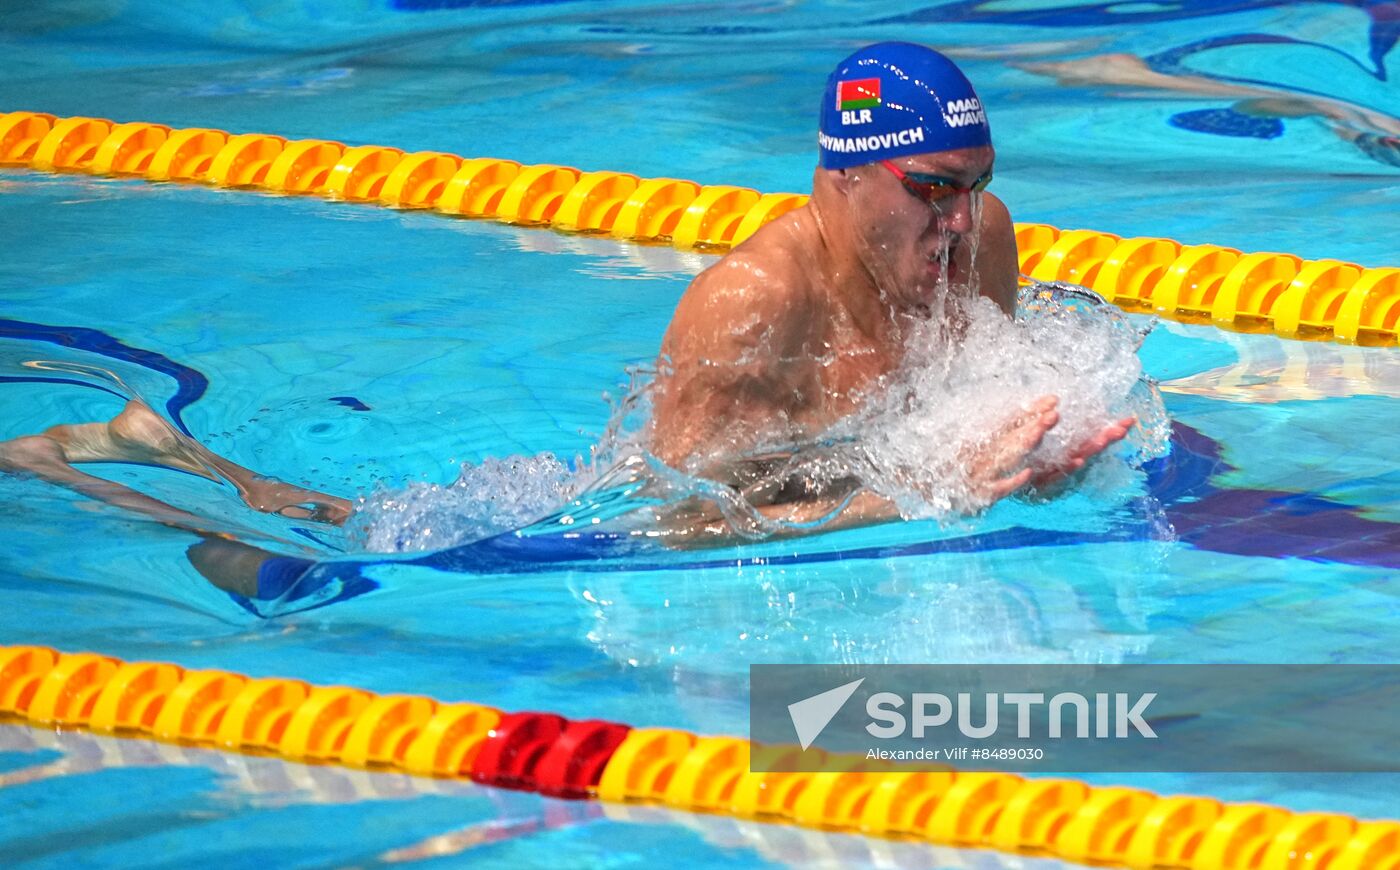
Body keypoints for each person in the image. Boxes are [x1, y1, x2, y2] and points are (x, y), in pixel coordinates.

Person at [0, 42, 1132, 569]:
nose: (961, 223)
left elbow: (961, 409)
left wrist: (1033, 451)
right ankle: (116, 459)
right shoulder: (750, 309)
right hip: (594, 523)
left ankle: (154, 442)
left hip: (822, 477)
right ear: (840, 175)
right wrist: (921, 502)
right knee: (370, 536)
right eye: (933, 191)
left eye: (974, 189)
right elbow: (671, 530)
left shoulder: (976, 235)